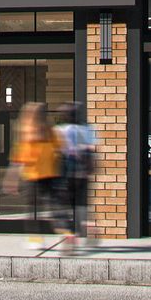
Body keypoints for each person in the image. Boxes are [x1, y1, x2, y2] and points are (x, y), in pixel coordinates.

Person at [11, 101, 62, 247]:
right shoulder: (50, 131)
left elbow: (20, 158)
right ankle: (64, 232)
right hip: (50, 174)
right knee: (53, 206)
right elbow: (59, 150)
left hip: (33, 176)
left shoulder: (27, 131)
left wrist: (12, 179)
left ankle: (35, 239)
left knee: (32, 209)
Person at [56, 102, 97, 249]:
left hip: (66, 171)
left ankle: (70, 234)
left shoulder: (60, 130)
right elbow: (92, 149)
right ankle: (89, 228)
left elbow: (57, 151)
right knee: (81, 204)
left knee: (64, 204)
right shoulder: (87, 129)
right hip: (82, 173)